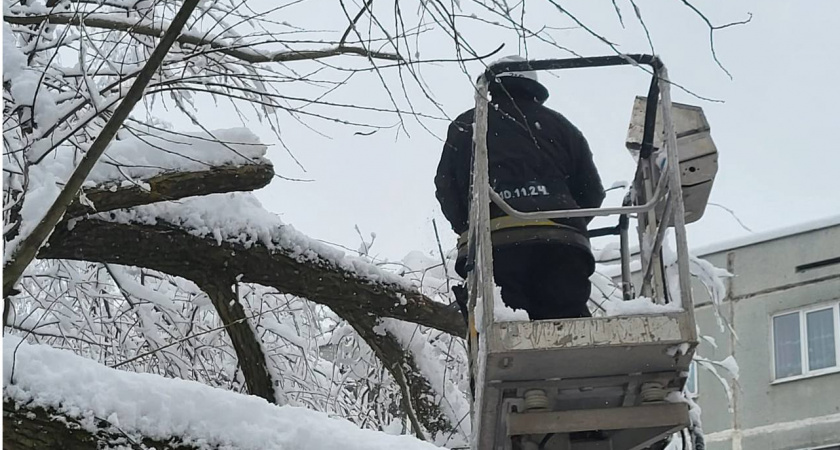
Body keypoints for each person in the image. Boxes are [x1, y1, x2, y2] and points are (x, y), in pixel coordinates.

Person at [435, 55, 605, 321]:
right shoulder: (561, 126)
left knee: (504, 325)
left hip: (495, 246)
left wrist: (469, 224)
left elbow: (446, 187)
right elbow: (592, 192)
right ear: (534, 88)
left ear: (491, 87)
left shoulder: (468, 125)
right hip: (561, 247)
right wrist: (567, 220)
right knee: (568, 323)